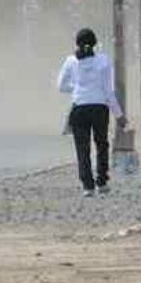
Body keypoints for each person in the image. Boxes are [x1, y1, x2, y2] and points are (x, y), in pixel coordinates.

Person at [57, 28, 126, 197]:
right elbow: (108, 91)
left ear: (77, 43)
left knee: (83, 148)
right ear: (95, 44)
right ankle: (102, 181)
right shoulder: (103, 61)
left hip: (79, 108)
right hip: (100, 107)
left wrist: (77, 89)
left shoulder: (70, 61)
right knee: (101, 144)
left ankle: (88, 186)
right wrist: (119, 114)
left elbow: (61, 86)